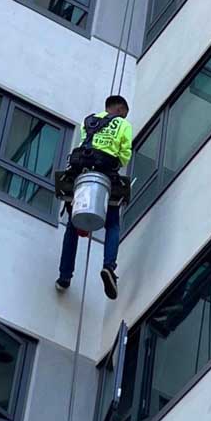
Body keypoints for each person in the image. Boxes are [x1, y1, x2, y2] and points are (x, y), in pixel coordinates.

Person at [56, 95, 132, 300]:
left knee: (72, 224)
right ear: (120, 110)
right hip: (106, 174)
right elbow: (125, 155)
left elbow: (84, 142)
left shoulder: (89, 120)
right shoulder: (123, 124)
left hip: (81, 172)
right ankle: (109, 266)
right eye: (124, 113)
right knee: (113, 223)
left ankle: (64, 277)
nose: (124, 116)